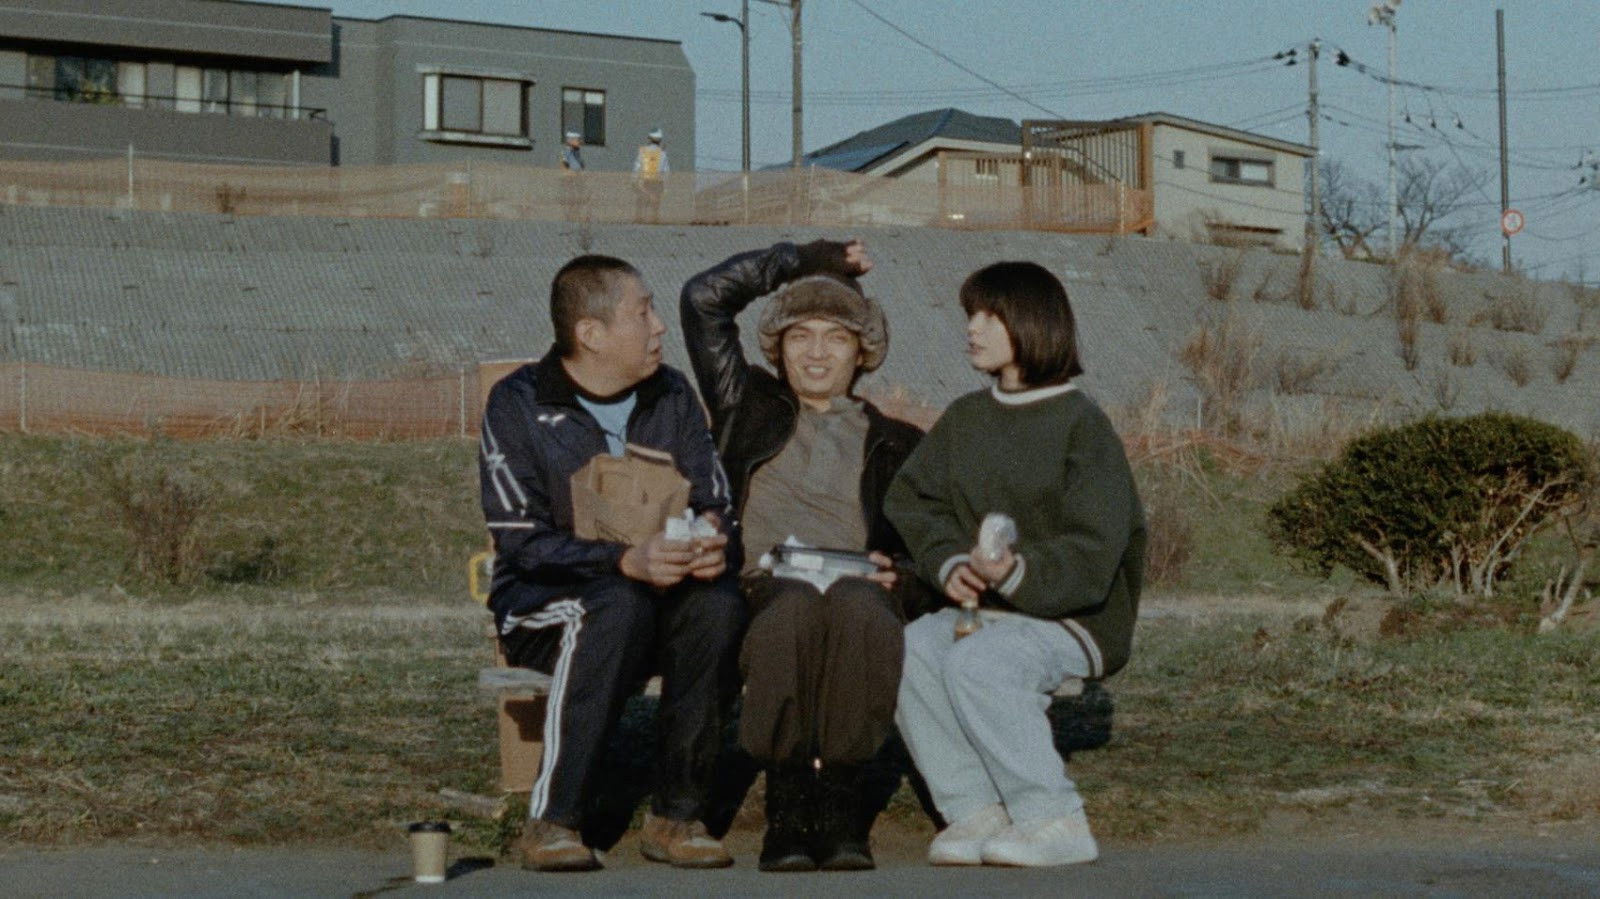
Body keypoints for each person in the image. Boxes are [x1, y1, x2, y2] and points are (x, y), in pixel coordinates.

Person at [480, 254, 747, 873]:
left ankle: (678, 815)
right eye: (643, 313)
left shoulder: (671, 393)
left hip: (662, 597)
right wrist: (624, 560)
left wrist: (713, 541)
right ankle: (554, 820)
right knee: (613, 606)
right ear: (591, 334)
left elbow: (716, 502)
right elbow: (521, 542)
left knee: (718, 606)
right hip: (545, 606)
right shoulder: (518, 403)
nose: (659, 326)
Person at [884, 261, 1146, 868]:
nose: (972, 328)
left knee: (981, 661)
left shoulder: (1082, 425)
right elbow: (912, 499)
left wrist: (1015, 571)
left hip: (1075, 618)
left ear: (1031, 324)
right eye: (970, 315)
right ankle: (974, 810)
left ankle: (1053, 818)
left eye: (989, 316)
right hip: (988, 611)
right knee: (912, 647)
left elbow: (1098, 545)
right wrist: (949, 562)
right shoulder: (966, 417)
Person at [680, 239, 928, 872]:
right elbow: (702, 301)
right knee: (790, 612)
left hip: (857, 587)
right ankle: (789, 801)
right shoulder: (744, 405)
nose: (817, 353)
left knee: (862, 612)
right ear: (777, 346)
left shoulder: (899, 443)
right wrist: (800, 260)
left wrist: (903, 576)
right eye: (800, 336)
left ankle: (840, 799)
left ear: (863, 350)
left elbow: (930, 548)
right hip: (764, 585)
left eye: (836, 338)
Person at [632, 128, 669, 224]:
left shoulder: (642, 151)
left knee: (641, 199)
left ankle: (640, 218)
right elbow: (666, 170)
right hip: (658, 181)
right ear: (660, 140)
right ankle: (654, 219)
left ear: (649, 139)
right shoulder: (662, 153)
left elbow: (637, 166)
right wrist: (666, 184)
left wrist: (634, 179)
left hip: (645, 180)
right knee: (655, 201)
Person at [559, 131, 586, 221]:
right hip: (570, 174)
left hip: (576, 173)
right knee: (571, 192)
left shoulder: (576, 151)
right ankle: (570, 212)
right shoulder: (567, 151)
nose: (579, 142)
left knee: (577, 192)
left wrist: (581, 165)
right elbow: (564, 161)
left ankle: (575, 210)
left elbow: (579, 160)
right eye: (577, 140)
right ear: (571, 141)